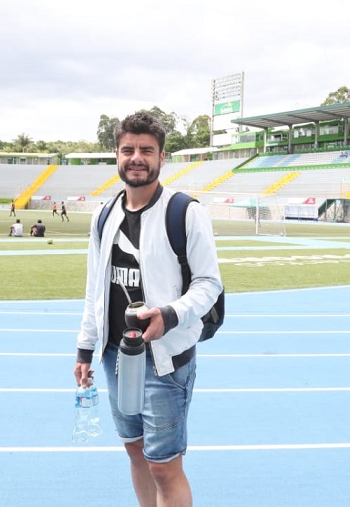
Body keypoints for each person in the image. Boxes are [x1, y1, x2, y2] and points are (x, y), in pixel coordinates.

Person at [74, 112, 222, 507]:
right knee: (136, 452)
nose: (136, 157)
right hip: (114, 357)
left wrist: (169, 314)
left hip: (165, 358)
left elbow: (210, 283)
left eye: (146, 150)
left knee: (163, 465)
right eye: (128, 149)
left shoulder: (185, 212)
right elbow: (95, 289)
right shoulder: (104, 216)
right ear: (117, 155)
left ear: (161, 157)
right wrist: (85, 349)